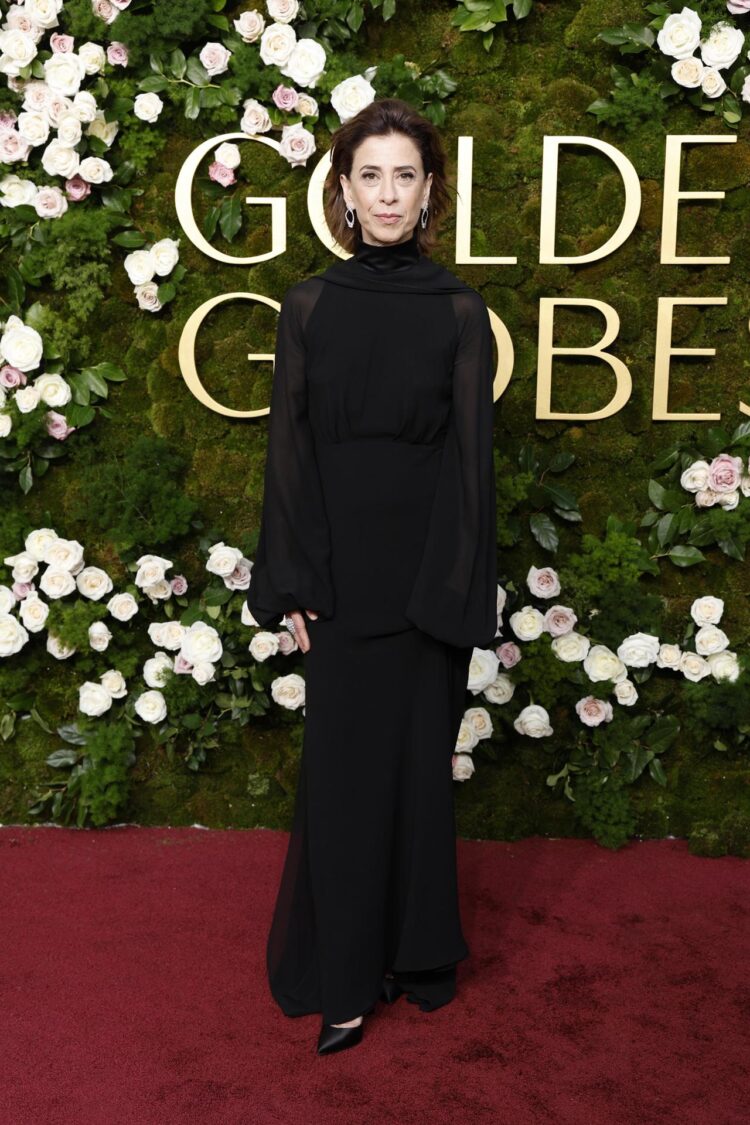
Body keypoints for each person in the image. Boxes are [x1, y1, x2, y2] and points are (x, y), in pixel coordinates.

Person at [246, 97, 498, 1056]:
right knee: (346, 781)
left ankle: (414, 950)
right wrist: (296, 580)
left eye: (405, 175)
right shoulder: (310, 304)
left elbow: (471, 467)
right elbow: (291, 453)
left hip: (426, 581)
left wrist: (452, 595)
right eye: (370, 176)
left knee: (417, 780)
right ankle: (344, 979)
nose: (388, 193)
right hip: (342, 585)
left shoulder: (459, 311)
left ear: (428, 190)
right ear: (344, 193)